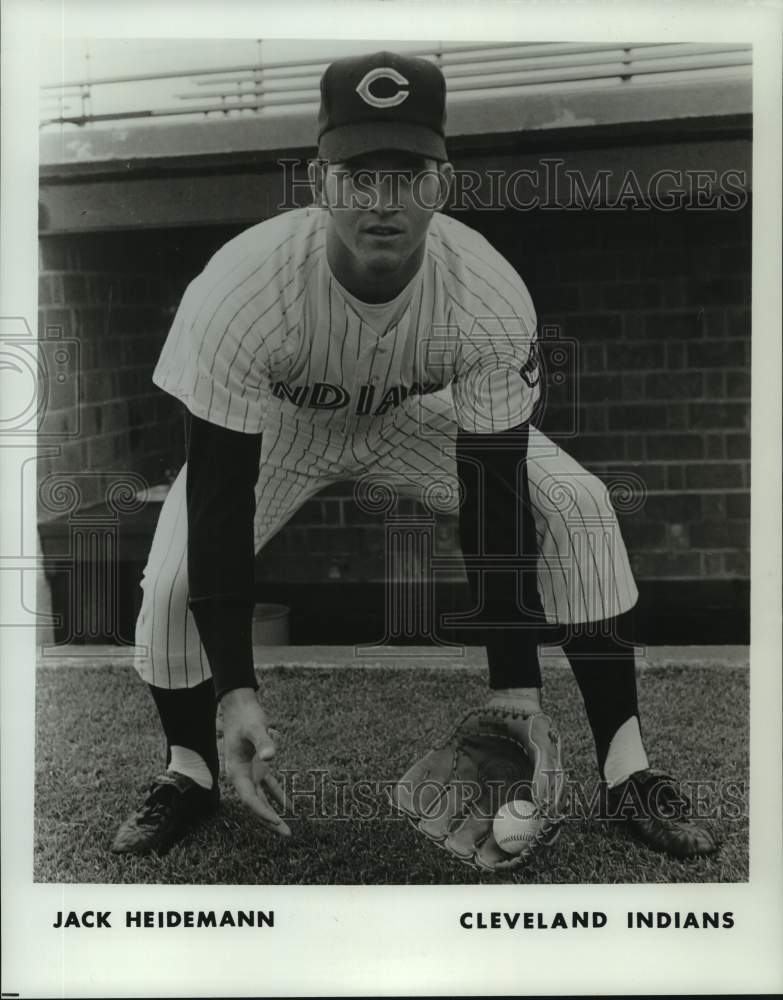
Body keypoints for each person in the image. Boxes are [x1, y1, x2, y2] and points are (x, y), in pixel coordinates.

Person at [112, 50, 717, 864]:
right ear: (319, 183)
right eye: (358, 176)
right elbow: (220, 491)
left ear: (443, 182)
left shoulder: (486, 292)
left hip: (415, 414)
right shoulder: (241, 290)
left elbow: (492, 489)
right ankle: (188, 769)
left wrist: (513, 684)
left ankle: (628, 769)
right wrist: (237, 691)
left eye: (408, 175)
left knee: (576, 504)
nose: (382, 201)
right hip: (283, 426)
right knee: (180, 577)